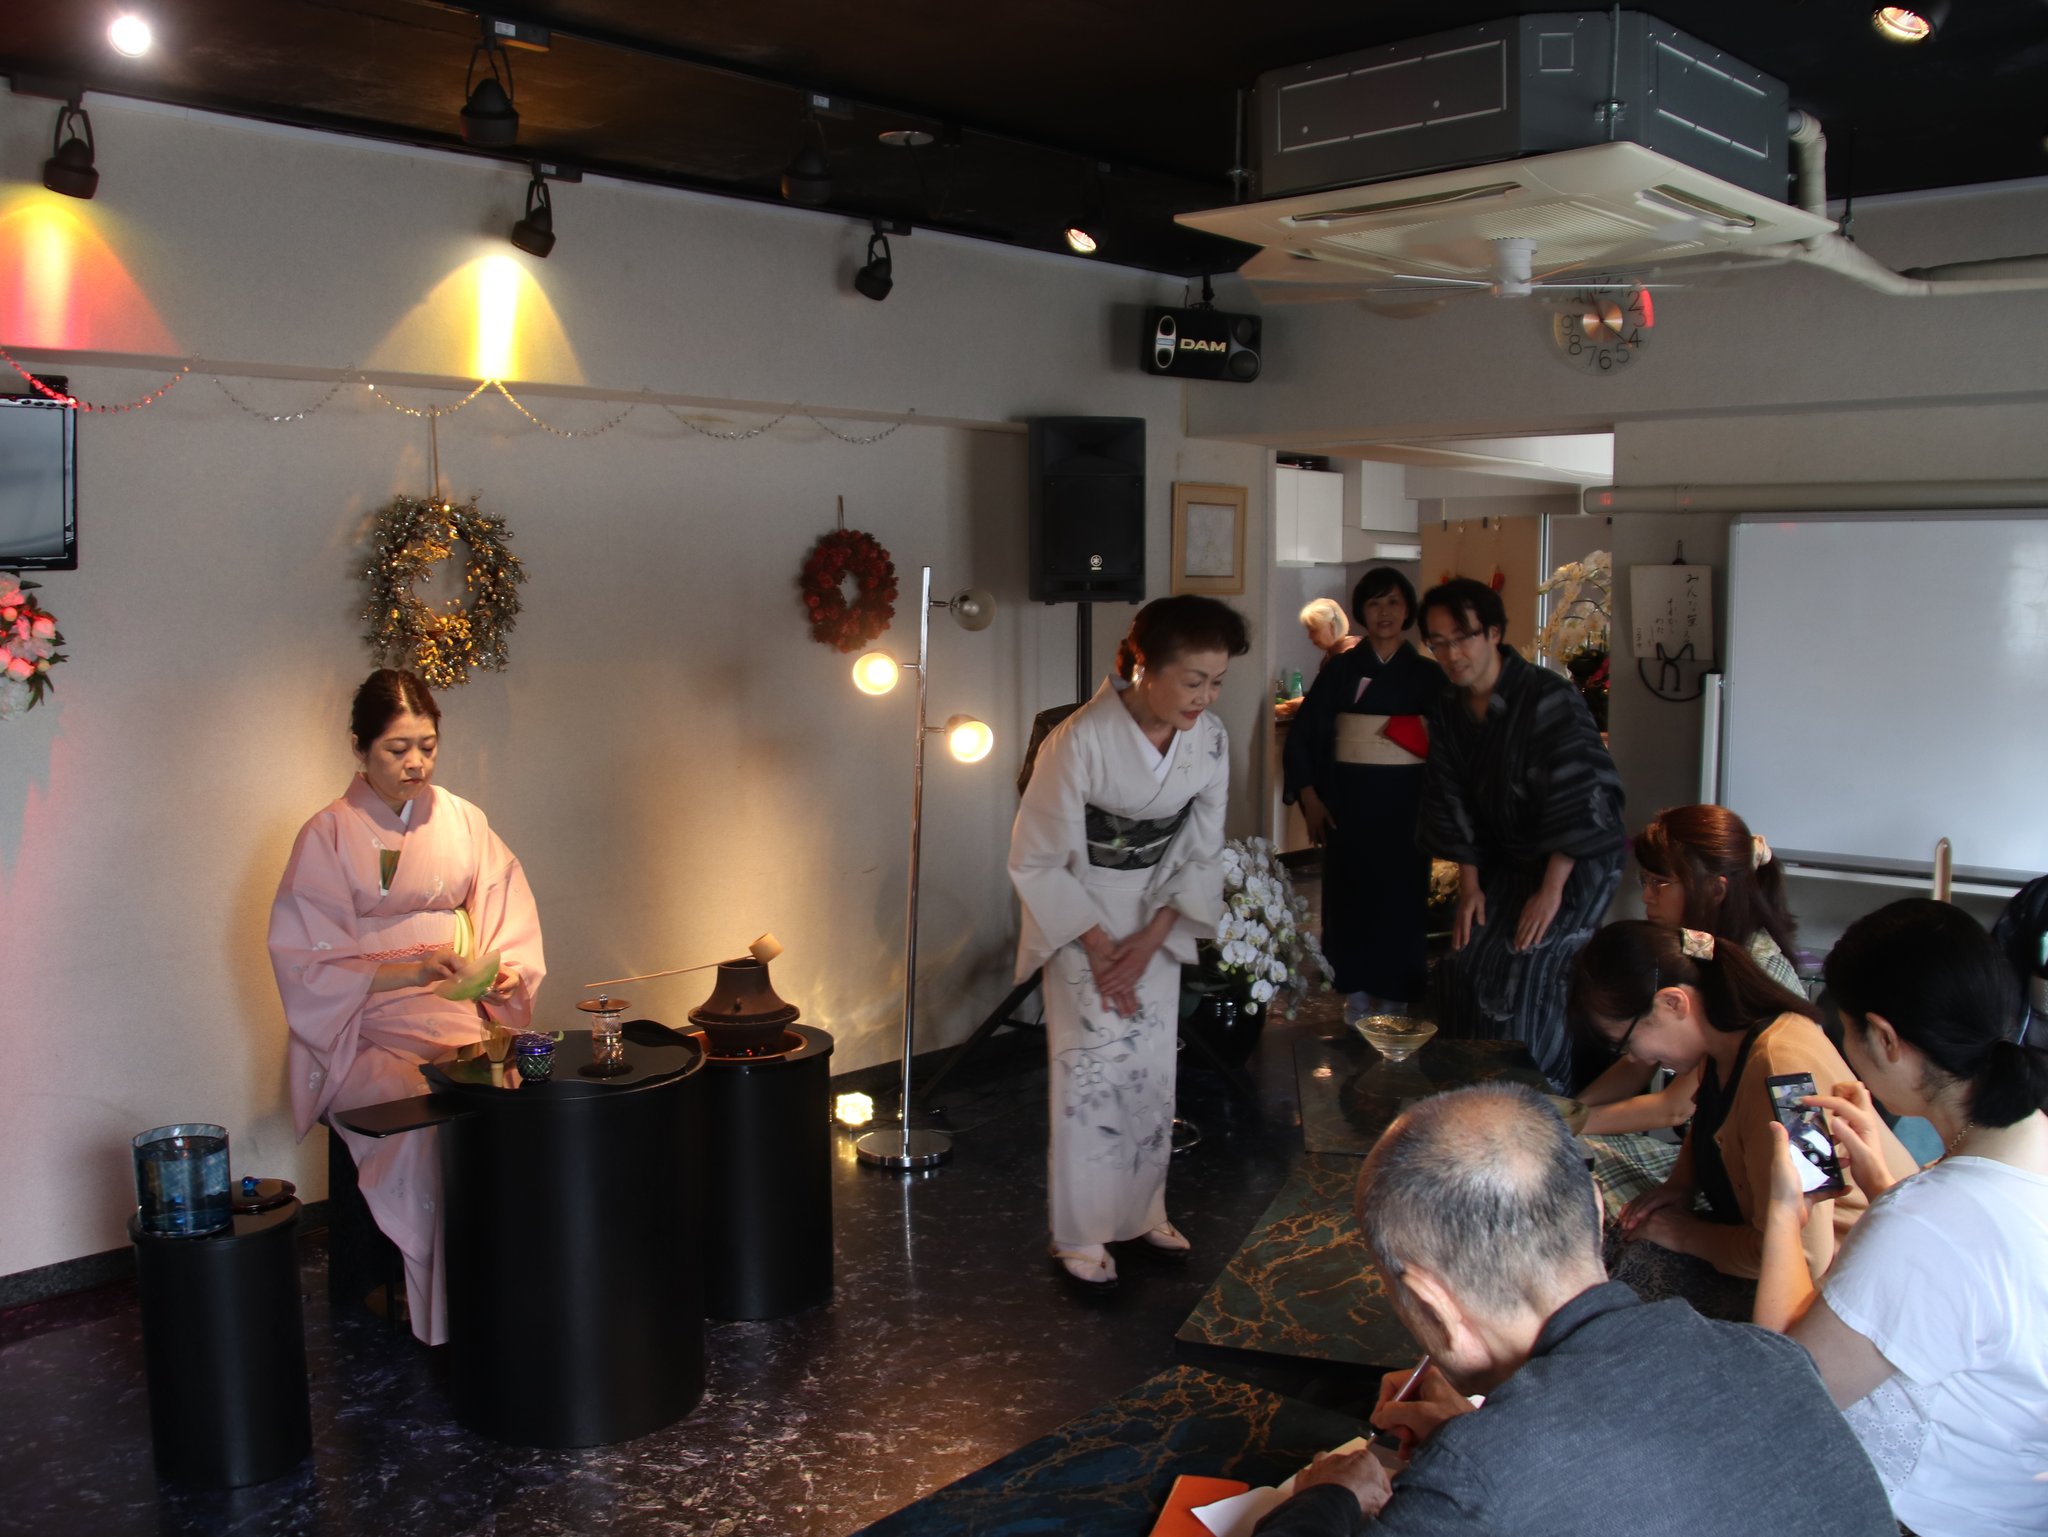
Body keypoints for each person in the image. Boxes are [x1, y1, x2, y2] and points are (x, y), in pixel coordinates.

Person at [1252, 1083, 1896, 1537]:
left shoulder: (1475, 1479)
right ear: (1595, 1207)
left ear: (1433, 1305)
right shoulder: (1775, 1360)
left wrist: (1330, 1497)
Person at [268, 669, 545, 1344]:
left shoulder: (464, 821)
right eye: (397, 748)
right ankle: (433, 1296)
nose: (416, 762)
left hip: (455, 1018)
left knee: (508, 1108)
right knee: (418, 1124)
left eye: (427, 745)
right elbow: (308, 962)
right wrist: (410, 971)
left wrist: (501, 974)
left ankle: (506, 1282)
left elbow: (507, 911)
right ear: (359, 747)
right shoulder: (327, 835)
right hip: (364, 1029)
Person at [1755, 899, 2048, 1537]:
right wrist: (1888, 1187)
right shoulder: (2027, 1141)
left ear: (1884, 1039)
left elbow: (1781, 1398)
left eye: (1845, 1030)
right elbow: (1975, 1270)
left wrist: (1785, 1211)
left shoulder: (1926, 1224)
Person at [1008, 595, 1247, 1290]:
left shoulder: (1210, 741)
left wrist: (1152, 938)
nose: (1206, 697)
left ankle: (1144, 1210)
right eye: (1193, 679)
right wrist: (1099, 943)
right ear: (1144, 665)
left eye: (1216, 682)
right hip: (1084, 913)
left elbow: (1203, 849)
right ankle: (1079, 1231)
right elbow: (1037, 855)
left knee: (1149, 1071)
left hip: (1155, 914)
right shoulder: (1078, 740)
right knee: (1089, 1075)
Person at [1569, 922, 1916, 1318]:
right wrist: (1682, 1183)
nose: (1638, 1059)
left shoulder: (1788, 1077)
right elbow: (1712, 1117)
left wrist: (1688, 1235)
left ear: (1673, 1003)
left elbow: (1806, 1255)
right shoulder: (1722, 1046)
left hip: (1847, 1286)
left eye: (1628, 1042)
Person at [1416, 577, 1624, 1089]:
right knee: (1465, 961)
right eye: (1438, 642)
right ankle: (1472, 1097)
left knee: (1529, 970)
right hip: (1506, 861)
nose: (1452, 654)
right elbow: (1451, 797)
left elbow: (1581, 795)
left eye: (1462, 638)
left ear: (1493, 633)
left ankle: (1542, 1105)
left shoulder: (1547, 696)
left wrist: (1551, 891)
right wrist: (1469, 887)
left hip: (1573, 864)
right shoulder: (1447, 708)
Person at [1578, 804, 1803, 1138]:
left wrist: (1563, 1126)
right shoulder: (1696, 946)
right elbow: (1640, 1059)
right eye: (1645, 879)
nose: (1646, 896)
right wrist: (1571, 1110)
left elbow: (1675, 1107)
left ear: (1715, 890)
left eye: (1660, 882)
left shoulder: (1752, 971)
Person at [1283, 568, 1444, 1014]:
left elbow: (1450, 745)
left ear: (1408, 609)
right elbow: (1305, 734)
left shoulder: (1428, 676)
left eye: (1393, 602)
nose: (1384, 612)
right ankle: (1354, 997)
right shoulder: (1342, 670)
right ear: (1360, 612)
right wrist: (1310, 798)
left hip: (1407, 808)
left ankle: (1395, 1000)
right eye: (1374, 603)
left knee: (1401, 900)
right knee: (1350, 897)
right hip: (1348, 807)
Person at [1275, 598, 1360, 721]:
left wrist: (1306, 704)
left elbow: (1340, 703)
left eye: (1313, 630)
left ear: (1331, 626)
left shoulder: (1349, 656)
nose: (1309, 636)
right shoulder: (1331, 655)